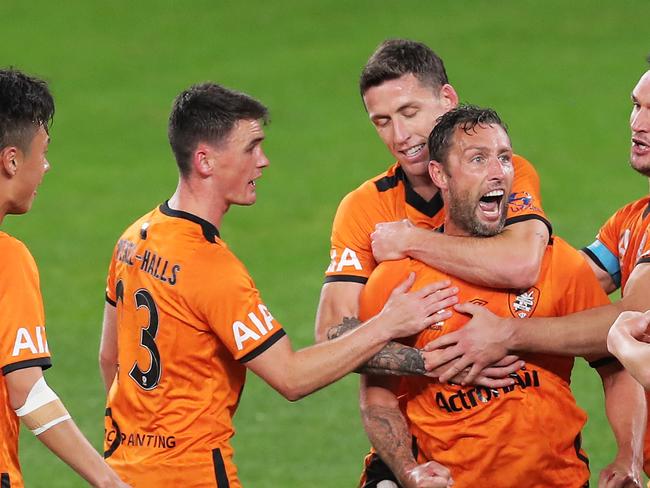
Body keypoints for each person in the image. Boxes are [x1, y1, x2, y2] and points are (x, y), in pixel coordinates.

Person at [98, 82, 447, 487]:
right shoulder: (211, 267)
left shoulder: (133, 238)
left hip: (122, 467)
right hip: (191, 474)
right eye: (251, 147)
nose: (262, 161)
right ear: (206, 161)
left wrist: (145, 439)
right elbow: (292, 377)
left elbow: (111, 359)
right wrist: (388, 323)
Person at [358, 106, 644, 488]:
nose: (497, 172)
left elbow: (617, 366)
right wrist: (408, 470)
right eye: (477, 159)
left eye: (504, 158)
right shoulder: (397, 281)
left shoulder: (556, 264)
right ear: (439, 174)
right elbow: (377, 397)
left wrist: (628, 455)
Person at [423, 66, 650, 483]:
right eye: (636, 105)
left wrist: (507, 335)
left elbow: (636, 320)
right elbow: (560, 282)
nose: (639, 123)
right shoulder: (631, 222)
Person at [315, 39, 551, 381]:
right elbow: (330, 335)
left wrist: (411, 241)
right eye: (382, 122)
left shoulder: (502, 174)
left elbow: (520, 265)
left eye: (409, 113)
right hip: (422, 413)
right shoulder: (364, 207)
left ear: (447, 99)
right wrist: (433, 362)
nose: (399, 136)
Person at [0, 69, 129, 487]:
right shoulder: (8, 260)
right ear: (12, 159)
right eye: (43, 152)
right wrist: (109, 481)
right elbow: (28, 392)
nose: (47, 166)